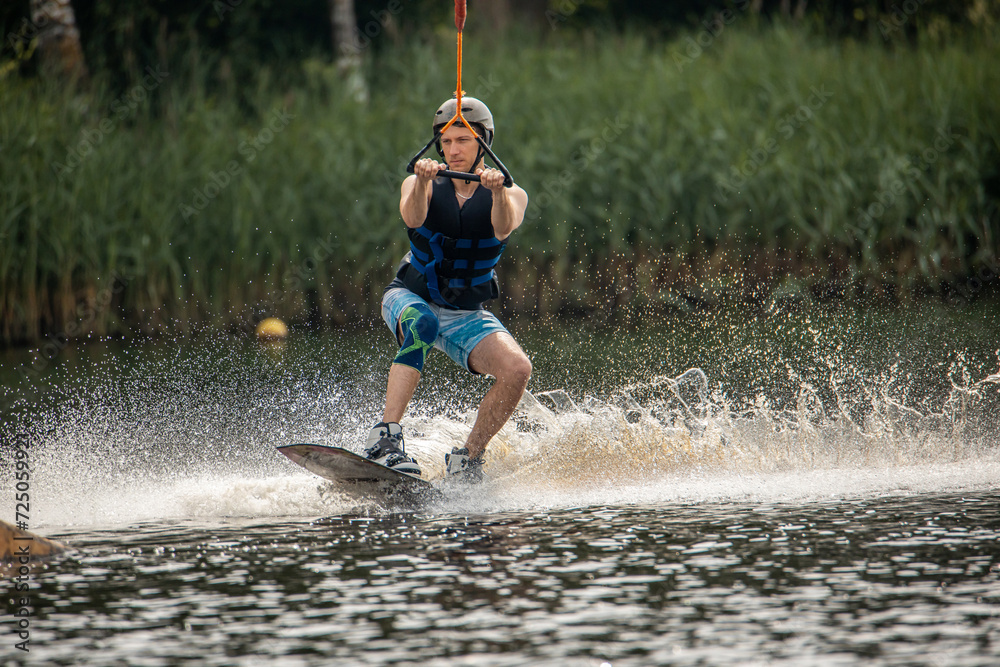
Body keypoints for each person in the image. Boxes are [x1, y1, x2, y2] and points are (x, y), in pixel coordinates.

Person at [363, 96, 531, 482]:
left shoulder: (512, 194)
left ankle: (468, 458)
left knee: (517, 369)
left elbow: (503, 227)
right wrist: (422, 181)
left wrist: (498, 191)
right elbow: (412, 216)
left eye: (464, 141)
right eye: (446, 141)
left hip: (463, 314)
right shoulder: (418, 182)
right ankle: (385, 439)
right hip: (409, 296)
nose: (452, 150)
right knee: (421, 322)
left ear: (484, 142)